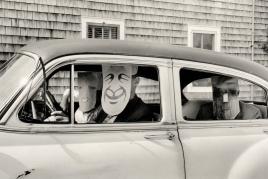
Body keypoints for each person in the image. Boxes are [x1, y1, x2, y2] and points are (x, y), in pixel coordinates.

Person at [196, 76, 262, 120]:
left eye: (231, 92)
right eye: (218, 93)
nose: (225, 100)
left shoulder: (252, 114)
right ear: (214, 94)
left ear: (237, 92)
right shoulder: (204, 112)